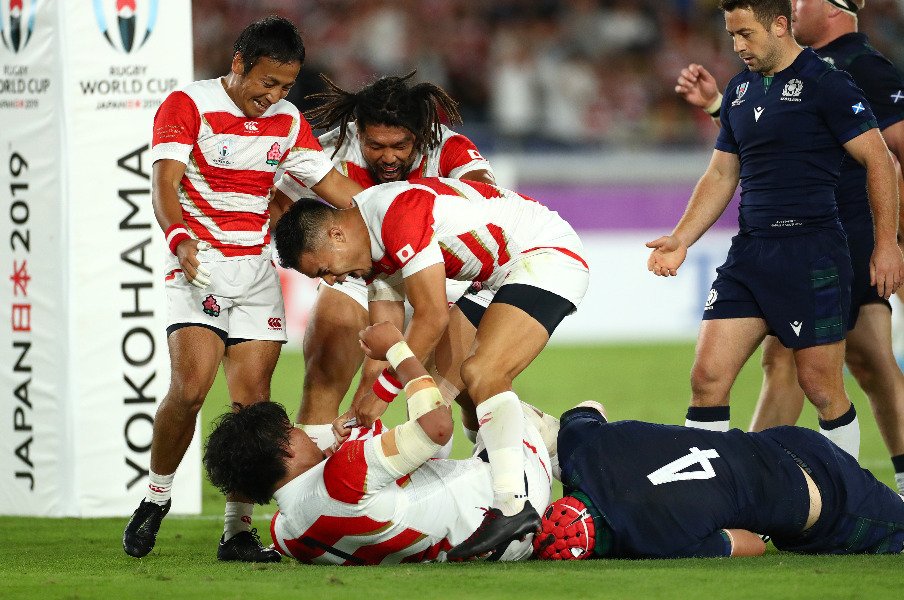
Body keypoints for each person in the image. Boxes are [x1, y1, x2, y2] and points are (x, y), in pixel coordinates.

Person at [121, 16, 364, 561]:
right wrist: (178, 236)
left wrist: (391, 208)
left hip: (255, 273)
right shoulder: (189, 104)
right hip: (199, 265)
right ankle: (156, 499)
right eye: (266, 83)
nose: (273, 96)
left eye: (284, 86)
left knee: (252, 407)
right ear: (238, 64)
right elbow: (165, 182)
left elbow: (333, 188)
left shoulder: (287, 123)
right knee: (190, 388)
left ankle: (236, 531)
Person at [273, 176, 590, 560]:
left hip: (542, 253)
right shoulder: (367, 245)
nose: (331, 280)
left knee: (482, 373)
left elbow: (432, 317)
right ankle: (538, 452)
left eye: (324, 269)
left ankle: (511, 505)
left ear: (337, 235)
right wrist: (360, 413)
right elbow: (383, 346)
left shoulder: (395, 216)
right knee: (430, 398)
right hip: (493, 279)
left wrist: (383, 393)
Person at [647, 0, 904, 460]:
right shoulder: (741, 90)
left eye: (745, 34)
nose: (737, 45)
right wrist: (681, 238)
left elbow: (881, 161)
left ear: (780, 26)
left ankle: (842, 503)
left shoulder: (828, 83)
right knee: (707, 378)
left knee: (822, 388)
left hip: (812, 253)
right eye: (731, 35)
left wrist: (887, 244)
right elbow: (722, 174)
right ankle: (716, 504)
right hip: (750, 254)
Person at [269, 72, 496, 452]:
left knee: (463, 389)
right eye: (376, 145)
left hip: (441, 275)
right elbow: (280, 206)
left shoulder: (450, 147)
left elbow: (488, 196)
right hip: (364, 272)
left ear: (421, 134)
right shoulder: (333, 152)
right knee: (327, 354)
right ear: (359, 133)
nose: (388, 157)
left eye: (400, 145)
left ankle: (481, 473)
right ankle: (313, 490)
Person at [202, 322, 555, 565]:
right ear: (286, 449)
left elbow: (361, 500)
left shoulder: (285, 534)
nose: (304, 431)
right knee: (491, 386)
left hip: (470, 545)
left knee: (460, 400)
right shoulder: (344, 475)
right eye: (293, 431)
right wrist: (397, 351)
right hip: (506, 511)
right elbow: (435, 429)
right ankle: (576, 447)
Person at [534, 403, 904, 559]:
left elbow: (752, 546)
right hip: (779, 440)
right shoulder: (588, 445)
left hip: (818, 500)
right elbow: (589, 407)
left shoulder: (654, 539)